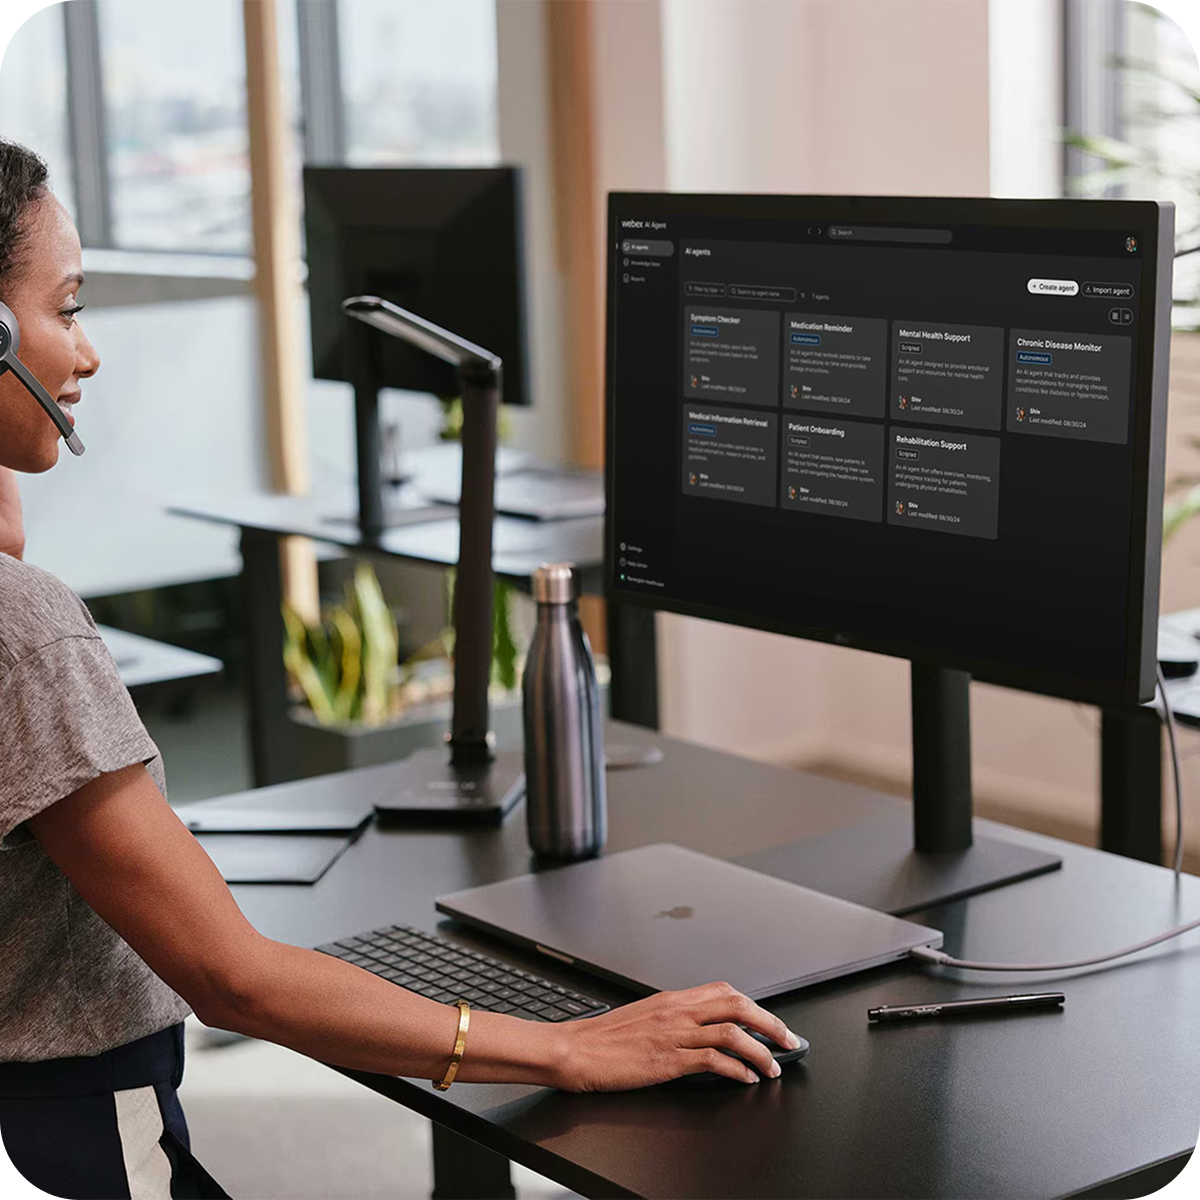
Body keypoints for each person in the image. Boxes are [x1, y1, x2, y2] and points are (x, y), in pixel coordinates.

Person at [0, 140, 800, 1199]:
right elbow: (231, 978)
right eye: (68, 309)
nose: (88, 355)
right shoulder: (26, 630)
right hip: (59, 1134)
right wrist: (572, 1047)